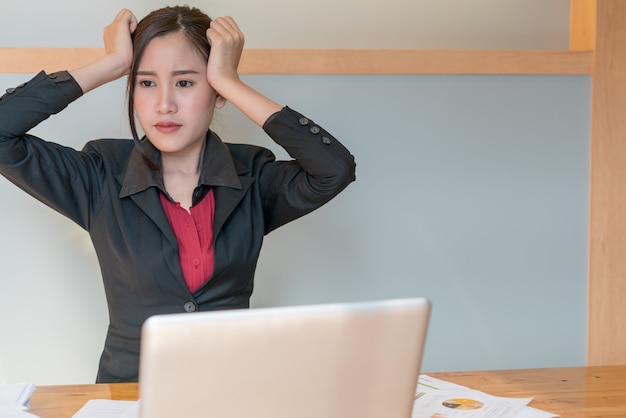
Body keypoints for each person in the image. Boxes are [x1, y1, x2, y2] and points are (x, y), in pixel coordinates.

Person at [0, 6, 355, 382]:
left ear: (215, 92)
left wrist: (229, 81)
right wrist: (113, 63)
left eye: (185, 82)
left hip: (232, 392)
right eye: (146, 82)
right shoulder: (99, 174)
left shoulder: (253, 176)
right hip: (130, 396)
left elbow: (335, 169)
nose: (164, 104)